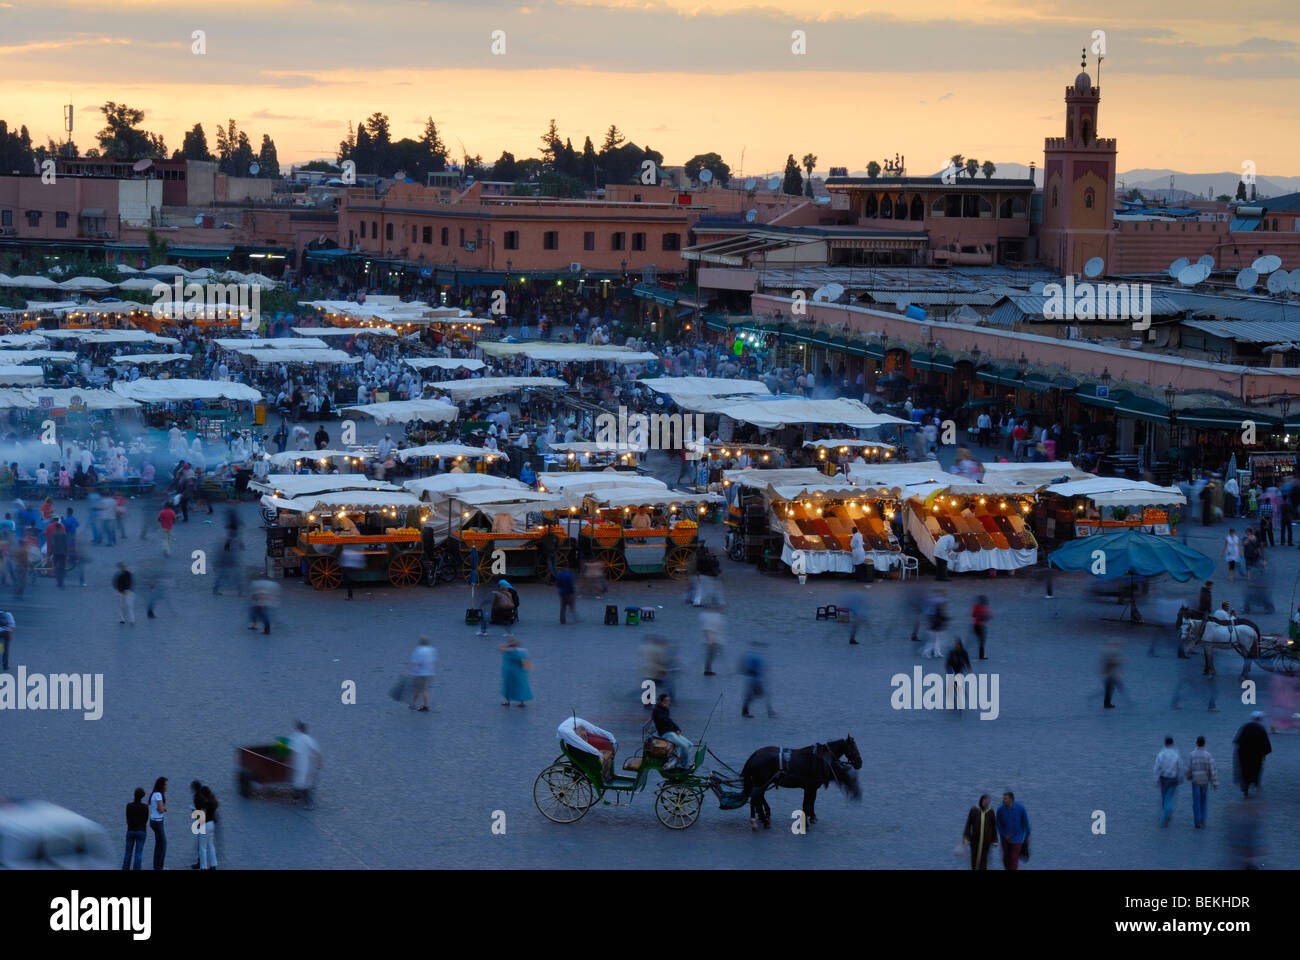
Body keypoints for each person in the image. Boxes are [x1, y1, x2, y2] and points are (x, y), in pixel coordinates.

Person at [1233, 711, 1272, 798]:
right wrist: (1264, 754)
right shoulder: (1261, 729)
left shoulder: (1245, 727)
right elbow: (1265, 745)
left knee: (1244, 771)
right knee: (1255, 770)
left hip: (1243, 754)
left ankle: (1245, 789)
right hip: (1256, 755)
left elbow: (1237, 740)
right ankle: (1255, 784)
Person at [651, 692, 693, 770]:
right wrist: (674, 729)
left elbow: (670, 721)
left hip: (672, 733)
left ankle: (682, 762)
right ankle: (682, 765)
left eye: (668, 701)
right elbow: (665, 720)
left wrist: (677, 729)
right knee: (685, 746)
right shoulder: (657, 711)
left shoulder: (665, 710)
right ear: (660, 701)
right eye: (666, 701)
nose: (668, 703)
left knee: (690, 745)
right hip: (666, 734)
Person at [1186, 735, 1219, 829]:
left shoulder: (1192, 754)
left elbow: (1189, 768)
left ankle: (1197, 821)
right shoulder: (1208, 755)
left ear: (1197, 743)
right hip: (1204, 781)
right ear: (1204, 743)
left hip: (1195, 781)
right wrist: (1215, 783)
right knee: (1203, 801)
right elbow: (1212, 770)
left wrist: (1188, 776)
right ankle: (1203, 820)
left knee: (1196, 802)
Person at [288, 721, 321, 807]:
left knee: (300, 784)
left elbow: (287, 750)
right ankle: (296, 799)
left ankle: (308, 804)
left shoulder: (294, 737)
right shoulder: (307, 738)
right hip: (306, 765)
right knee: (301, 783)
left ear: (298, 729)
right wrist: (319, 761)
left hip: (298, 765)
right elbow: (315, 751)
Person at [741, 640, 776, 718]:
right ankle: (769, 712)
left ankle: (745, 711)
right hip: (755, 680)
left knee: (756, 694)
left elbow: (745, 668)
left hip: (754, 679)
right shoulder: (756, 656)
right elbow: (759, 668)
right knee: (762, 694)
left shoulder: (750, 655)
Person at [962, 794, 998, 870]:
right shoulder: (974, 810)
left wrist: (994, 840)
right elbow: (968, 824)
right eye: (986, 801)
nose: (987, 803)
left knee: (984, 861)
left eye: (988, 802)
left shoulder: (991, 811)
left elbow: (993, 826)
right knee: (974, 860)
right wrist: (966, 837)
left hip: (986, 842)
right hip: (975, 841)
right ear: (982, 800)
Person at [995, 792, 1029, 869]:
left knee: (1014, 858)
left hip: (1017, 838)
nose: (1003, 800)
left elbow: (1025, 823)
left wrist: (1027, 836)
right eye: (1003, 798)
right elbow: (998, 824)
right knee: (1005, 859)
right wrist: (1004, 834)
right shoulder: (1000, 810)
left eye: (1005, 798)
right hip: (1005, 838)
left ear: (1011, 799)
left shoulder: (1020, 809)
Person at [1154, 736, 1182, 827]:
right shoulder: (1175, 754)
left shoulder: (1161, 754)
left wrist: (1156, 778)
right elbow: (1179, 766)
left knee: (1164, 797)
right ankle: (1166, 815)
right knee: (1169, 798)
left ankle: (1165, 813)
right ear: (1172, 743)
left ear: (1165, 743)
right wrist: (1180, 776)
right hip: (1173, 779)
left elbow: (1156, 767)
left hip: (1163, 778)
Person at [499, 636, 532, 707]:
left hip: (509, 672)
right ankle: (522, 702)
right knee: (520, 686)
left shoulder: (507, 651)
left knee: (508, 686)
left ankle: (507, 701)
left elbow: (500, 648)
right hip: (519, 672)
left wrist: (507, 645)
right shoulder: (522, 652)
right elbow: (526, 664)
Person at [121, 786, 149, 871]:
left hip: (130, 831)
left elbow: (127, 819)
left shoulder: (129, 806)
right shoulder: (145, 807)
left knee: (128, 853)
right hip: (141, 831)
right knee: (138, 854)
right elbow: (146, 820)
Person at [408, 636, 436, 712]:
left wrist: (412, 672)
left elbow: (417, 663)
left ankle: (425, 706)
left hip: (420, 673)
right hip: (429, 673)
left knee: (421, 690)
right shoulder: (431, 649)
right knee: (420, 689)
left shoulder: (419, 650)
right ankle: (413, 703)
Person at [148, 776, 167, 870]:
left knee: (158, 844)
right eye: (165, 784)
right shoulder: (159, 795)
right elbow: (160, 809)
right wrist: (164, 808)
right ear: (162, 785)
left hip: (153, 821)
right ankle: (160, 866)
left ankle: (156, 865)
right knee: (163, 844)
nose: (166, 786)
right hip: (158, 822)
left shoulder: (154, 794)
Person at [971, 595, 992, 659]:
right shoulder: (985, 607)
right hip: (982, 626)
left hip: (975, 625)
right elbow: (989, 617)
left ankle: (964, 652)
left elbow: (973, 615)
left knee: (972, 639)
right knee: (982, 641)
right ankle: (981, 655)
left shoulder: (976, 606)